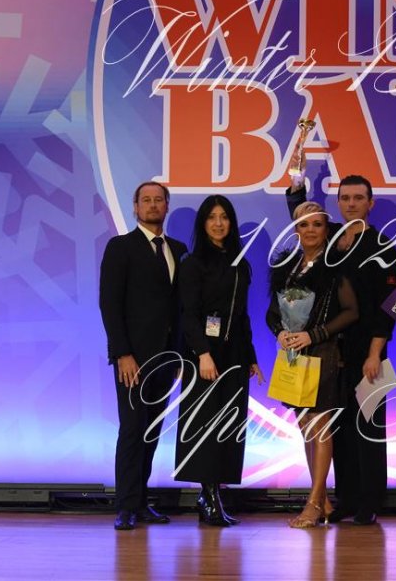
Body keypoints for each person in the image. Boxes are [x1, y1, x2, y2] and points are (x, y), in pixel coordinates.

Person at [286, 174, 396, 525]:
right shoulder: (331, 237)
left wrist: (375, 353)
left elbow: (389, 307)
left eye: (358, 198)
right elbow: (303, 218)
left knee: (369, 427)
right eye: (345, 198)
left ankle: (370, 502)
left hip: (370, 352)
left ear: (370, 203)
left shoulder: (383, 247)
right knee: (341, 427)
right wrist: (297, 184)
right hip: (332, 351)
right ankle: (347, 498)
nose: (351, 203)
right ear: (338, 203)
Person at [99, 181, 187, 531]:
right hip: (133, 360)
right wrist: (122, 352)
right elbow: (110, 304)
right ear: (135, 207)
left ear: (167, 206)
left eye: (158, 200)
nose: (152, 205)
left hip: (167, 358)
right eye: (146, 200)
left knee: (152, 431)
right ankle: (125, 506)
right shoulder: (120, 247)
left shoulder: (178, 249)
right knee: (133, 429)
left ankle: (140, 500)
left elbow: (180, 307)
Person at [267, 201, 360, 528]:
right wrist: (280, 333)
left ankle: (314, 503)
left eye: (317, 224)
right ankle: (322, 500)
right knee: (306, 426)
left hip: (324, 353)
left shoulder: (336, 265)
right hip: (293, 356)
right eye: (303, 224)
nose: (310, 230)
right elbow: (272, 312)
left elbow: (351, 312)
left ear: (325, 230)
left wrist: (314, 334)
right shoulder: (286, 266)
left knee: (320, 426)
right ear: (295, 230)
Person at [174, 195, 263, 527]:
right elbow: (188, 314)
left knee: (227, 427)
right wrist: (202, 354)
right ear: (203, 223)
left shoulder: (240, 264)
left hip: (234, 354)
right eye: (212, 217)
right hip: (204, 356)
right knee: (205, 426)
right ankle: (208, 496)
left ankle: (213, 496)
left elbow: (242, 316)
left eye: (224, 217)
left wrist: (251, 357)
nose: (218, 223)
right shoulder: (192, 263)